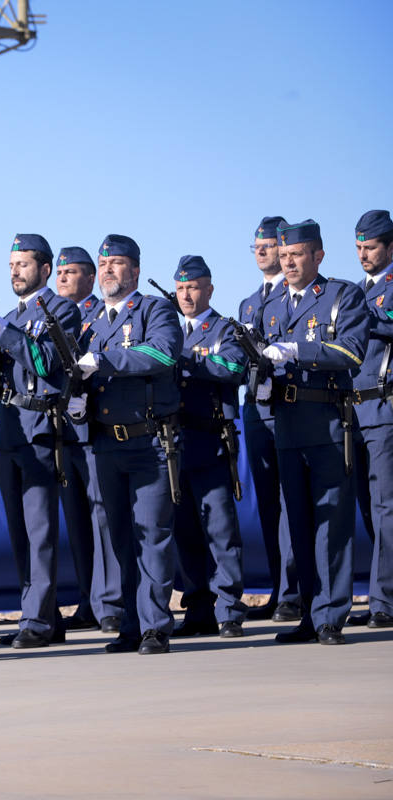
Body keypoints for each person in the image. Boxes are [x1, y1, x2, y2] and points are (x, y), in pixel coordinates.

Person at [262, 219, 369, 645]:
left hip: (328, 424)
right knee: (300, 526)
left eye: (296, 255)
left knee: (332, 524)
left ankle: (330, 617)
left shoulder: (343, 296)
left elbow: (350, 352)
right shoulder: (272, 306)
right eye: (283, 256)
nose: (288, 263)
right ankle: (309, 613)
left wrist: (297, 351)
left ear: (318, 256)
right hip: (287, 428)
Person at [76, 234, 182, 655]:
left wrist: (105, 360)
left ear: (134, 270)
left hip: (150, 443)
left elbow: (163, 356)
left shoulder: (155, 310)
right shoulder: (92, 323)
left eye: (117, 264)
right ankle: (130, 624)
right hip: (106, 444)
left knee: (153, 535)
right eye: (103, 264)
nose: (107, 271)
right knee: (120, 538)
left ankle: (156, 626)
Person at [0, 234, 81, 648]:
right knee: (17, 530)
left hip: (40, 424)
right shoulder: (13, 315)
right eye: (11, 265)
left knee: (39, 528)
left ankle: (39, 619)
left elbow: (48, 363)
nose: (15, 271)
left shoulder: (60, 309)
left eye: (23, 264)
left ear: (44, 270)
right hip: (10, 423)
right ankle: (39, 613)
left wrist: (5, 335)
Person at [168, 256, 249, 638]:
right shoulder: (168, 328)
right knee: (184, 531)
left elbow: (234, 369)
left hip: (210, 441)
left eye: (193, 287)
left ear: (209, 289)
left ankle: (230, 609)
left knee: (219, 529)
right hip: (175, 444)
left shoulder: (224, 330)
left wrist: (190, 361)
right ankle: (198, 607)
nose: (186, 295)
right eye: (181, 288)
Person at [53, 246, 120, 632]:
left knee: (102, 517)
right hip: (64, 433)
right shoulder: (56, 318)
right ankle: (87, 600)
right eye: (60, 272)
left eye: (72, 272)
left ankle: (109, 602)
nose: (63, 278)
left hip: (95, 430)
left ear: (91, 278)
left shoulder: (99, 316)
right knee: (76, 521)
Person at [237, 216, 300, 623]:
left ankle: (294, 592)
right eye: (255, 246)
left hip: (288, 408)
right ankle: (279, 588)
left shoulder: (295, 297)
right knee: (268, 508)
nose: (261, 252)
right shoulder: (248, 303)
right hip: (255, 411)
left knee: (292, 502)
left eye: (268, 245)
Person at [350, 209, 393, 629]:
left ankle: (385, 599)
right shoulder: (360, 290)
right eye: (359, 248)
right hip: (356, 409)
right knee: (367, 507)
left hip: (385, 407)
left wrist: (365, 318)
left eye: (372, 247)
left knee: (386, 507)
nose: (364, 255)